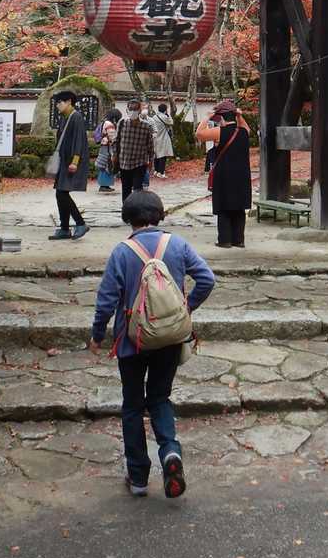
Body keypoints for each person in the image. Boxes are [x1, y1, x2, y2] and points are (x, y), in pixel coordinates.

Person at [90, 190, 215, 498]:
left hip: (132, 342)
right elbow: (206, 279)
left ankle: (138, 478)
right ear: (159, 214)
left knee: (133, 405)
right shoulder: (178, 245)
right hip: (170, 339)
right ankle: (170, 451)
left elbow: (106, 301)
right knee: (159, 398)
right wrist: (186, 308)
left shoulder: (122, 252)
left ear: (128, 218)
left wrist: (97, 334)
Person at [195, 98, 251, 248]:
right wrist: (239, 115)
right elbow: (246, 127)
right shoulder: (244, 132)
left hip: (224, 174)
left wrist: (207, 117)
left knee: (224, 205)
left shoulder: (219, 132)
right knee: (239, 206)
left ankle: (225, 240)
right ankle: (239, 240)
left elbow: (199, 134)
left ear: (221, 118)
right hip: (242, 174)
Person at [48, 90, 90, 240]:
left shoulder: (76, 117)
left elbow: (79, 140)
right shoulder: (65, 118)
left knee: (61, 193)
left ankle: (80, 223)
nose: (58, 105)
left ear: (69, 102)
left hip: (72, 162)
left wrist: (75, 162)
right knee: (60, 193)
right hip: (64, 161)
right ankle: (64, 228)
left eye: (60, 102)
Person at [114, 100, 154, 208]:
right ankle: (126, 209)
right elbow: (116, 140)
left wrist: (151, 160)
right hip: (124, 162)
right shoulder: (122, 123)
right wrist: (114, 155)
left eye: (135, 109)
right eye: (130, 109)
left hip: (139, 162)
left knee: (137, 188)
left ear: (139, 110)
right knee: (125, 188)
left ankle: (137, 210)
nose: (133, 111)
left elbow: (150, 145)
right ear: (127, 110)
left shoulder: (146, 126)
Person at [94, 108, 122, 193]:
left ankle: (104, 185)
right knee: (107, 165)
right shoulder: (110, 124)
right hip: (108, 148)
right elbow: (112, 138)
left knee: (103, 165)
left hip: (104, 147)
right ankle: (104, 185)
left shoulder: (104, 122)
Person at [149, 102, 175, 178]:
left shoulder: (154, 117)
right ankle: (161, 172)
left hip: (155, 138)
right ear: (165, 110)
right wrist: (168, 115)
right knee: (163, 156)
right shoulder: (164, 117)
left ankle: (156, 171)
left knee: (156, 155)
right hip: (163, 138)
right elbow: (171, 122)